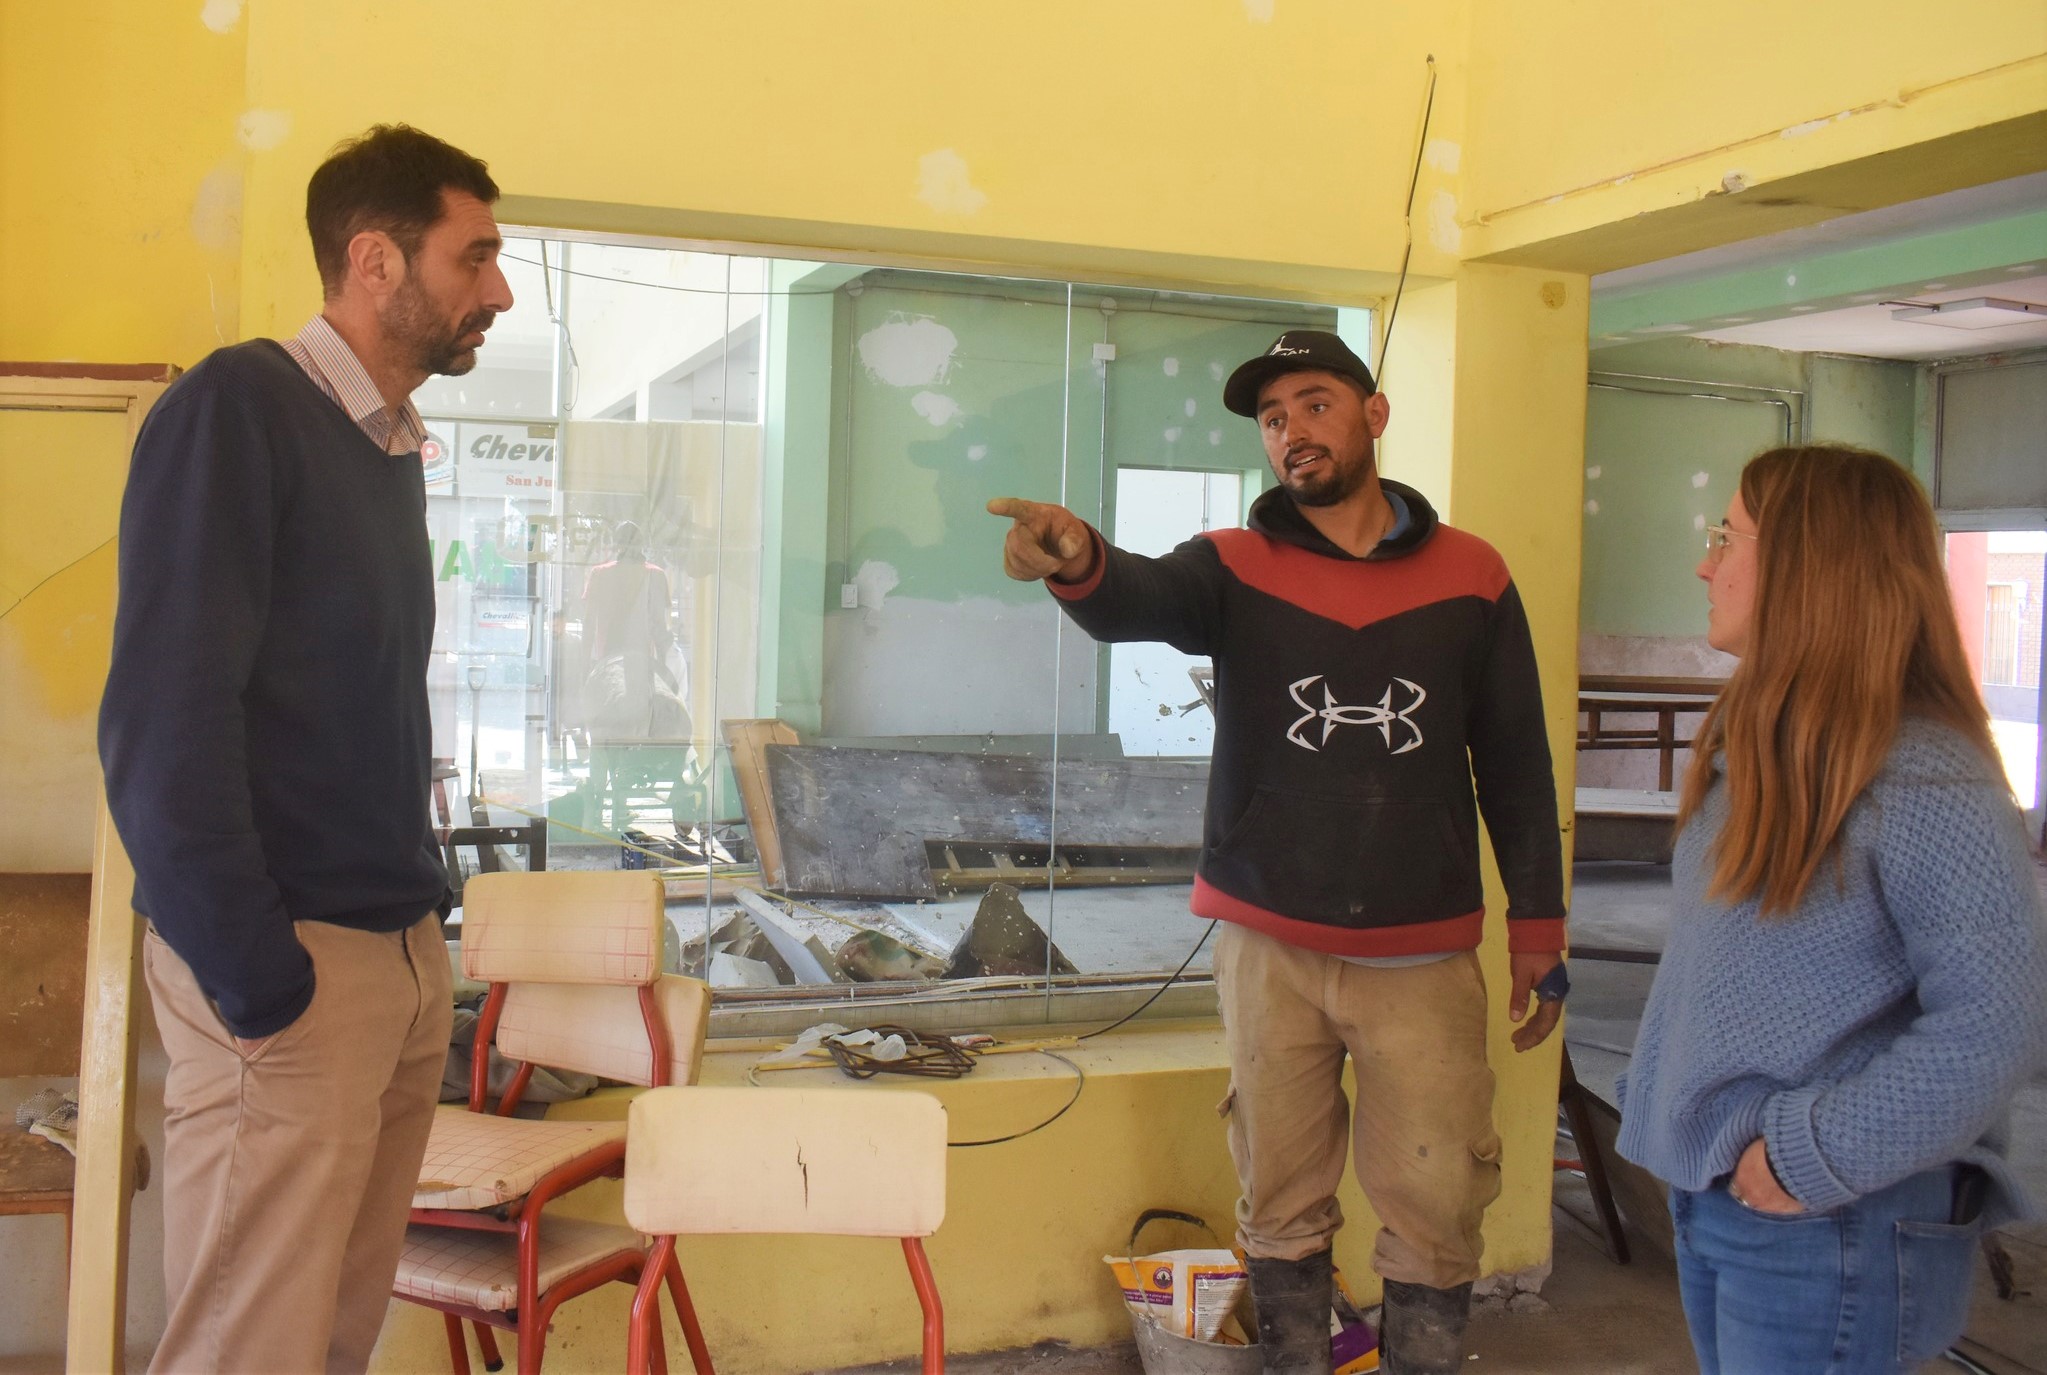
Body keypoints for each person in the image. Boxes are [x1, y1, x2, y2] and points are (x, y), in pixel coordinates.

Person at [990, 330, 1568, 1375]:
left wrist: (1540, 925)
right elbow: (1138, 598)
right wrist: (1075, 556)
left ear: (1373, 415)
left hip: (1422, 952)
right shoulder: (1231, 566)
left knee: (1438, 1195)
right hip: (1266, 945)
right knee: (1279, 1196)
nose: (1291, 431)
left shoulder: (1472, 574)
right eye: (1271, 418)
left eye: (1313, 404)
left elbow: (1516, 756)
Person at [99, 124, 514, 1373]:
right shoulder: (238, 407)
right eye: (475, 256)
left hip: (390, 953)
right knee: (247, 1342)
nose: (497, 290)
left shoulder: (385, 449)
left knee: (330, 1335)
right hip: (291, 973)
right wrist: (253, 972)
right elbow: (162, 718)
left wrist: (415, 954)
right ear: (376, 260)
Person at [1616, 445, 2047, 1374]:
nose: (1703, 562)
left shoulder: (1924, 773)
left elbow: (1998, 1021)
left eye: (1726, 535)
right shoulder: (1765, 743)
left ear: (1811, 565)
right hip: (1729, 1196)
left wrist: (1811, 1154)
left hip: (1829, 1213)